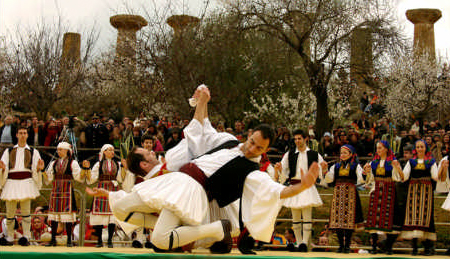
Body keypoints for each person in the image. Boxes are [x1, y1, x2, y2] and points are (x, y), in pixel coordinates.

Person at [88, 86, 319, 254]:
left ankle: (216, 229)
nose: (253, 149)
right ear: (249, 135)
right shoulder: (228, 139)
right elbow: (203, 130)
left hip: (192, 190)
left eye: (260, 148)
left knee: (159, 240)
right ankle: (205, 230)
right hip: (177, 179)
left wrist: (303, 185)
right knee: (119, 208)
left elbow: (275, 191)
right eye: (252, 142)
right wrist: (204, 100)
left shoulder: (252, 170)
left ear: (266, 149)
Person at [274, 129, 327, 252]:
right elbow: (284, 170)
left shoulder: (314, 154)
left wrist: (323, 169)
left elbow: (321, 170)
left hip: (307, 187)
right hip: (294, 185)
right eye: (295, 139)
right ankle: (298, 243)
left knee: (307, 217)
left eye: (299, 138)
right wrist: (279, 169)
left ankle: (304, 242)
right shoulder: (290, 154)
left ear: (305, 139)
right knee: (295, 217)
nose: (297, 141)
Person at [0, 126, 44, 246]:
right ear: (17, 135)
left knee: (26, 212)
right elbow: (3, 166)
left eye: (25, 133)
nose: (23, 135)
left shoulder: (33, 151)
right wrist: (2, 170)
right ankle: (9, 236)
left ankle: (26, 236)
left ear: (27, 135)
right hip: (11, 182)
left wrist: (39, 169)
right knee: (10, 212)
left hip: (26, 182)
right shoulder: (8, 151)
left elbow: (37, 168)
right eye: (20, 133)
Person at [363, 140, 404, 255]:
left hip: (389, 191)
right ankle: (374, 246)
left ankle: (388, 247)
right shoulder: (374, 162)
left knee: (389, 218)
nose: (378, 150)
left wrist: (397, 168)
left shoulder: (392, 161)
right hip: (376, 191)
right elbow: (369, 179)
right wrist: (367, 171)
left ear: (386, 149)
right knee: (374, 219)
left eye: (380, 148)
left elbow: (400, 178)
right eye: (377, 148)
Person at [43, 142, 87, 247]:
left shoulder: (73, 163)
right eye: (58, 149)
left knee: (67, 217)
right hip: (56, 189)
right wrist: (41, 171)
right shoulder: (54, 163)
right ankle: (53, 239)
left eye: (61, 149)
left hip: (67, 189)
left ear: (67, 151)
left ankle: (69, 241)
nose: (59, 151)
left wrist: (84, 169)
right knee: (54, 216)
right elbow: (48, 179)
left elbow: (78, 177)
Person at [323, 144, 364, 254]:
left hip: (350, 193)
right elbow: (329, 179)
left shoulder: (356, 166)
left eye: (345, 153)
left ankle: (347, 245)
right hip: (338, 193)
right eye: (341, 153)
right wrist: (325, 170)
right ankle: (341, 245)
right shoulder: (336, 166)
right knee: (338, 221)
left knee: (349, 220)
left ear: (351, 154)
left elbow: (361, 179)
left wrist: (365, 173)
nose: (343, 155)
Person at [400, 140, 437, 255]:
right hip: (413, 190)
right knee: (413, 215)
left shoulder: (431, 161)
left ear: (425, 148)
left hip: (426, 191)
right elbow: (404, 177)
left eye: (422, 147)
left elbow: (435, 176)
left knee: (426, 216)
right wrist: (397, 168)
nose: (420, 149)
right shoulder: (411, 162)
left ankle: (428, 247)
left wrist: (443, 170)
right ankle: (414, 247)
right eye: (418, 147)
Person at [86, 144, 124, 247]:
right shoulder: (98, 164)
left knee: (112, 216)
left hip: (113, 189)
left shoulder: (117, 163)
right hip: (101, 189)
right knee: (99, 214)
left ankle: (110, 240)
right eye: (109, 150)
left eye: (113, 150)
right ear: (104, 152)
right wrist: (87, 170)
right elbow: (92, 179)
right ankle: (99, 241)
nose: (112, 152)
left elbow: (121, 178)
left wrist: (124, 167)